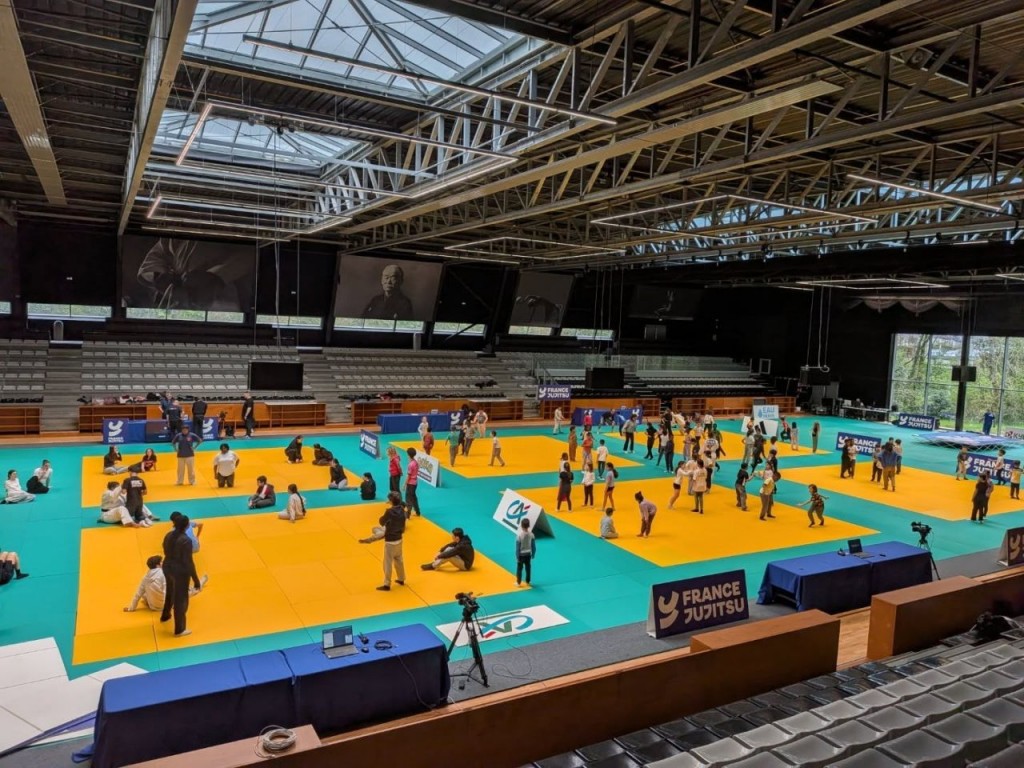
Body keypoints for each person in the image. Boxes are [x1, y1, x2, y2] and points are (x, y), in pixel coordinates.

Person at [160, 515, 202, 637]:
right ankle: (180, 629)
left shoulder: (168, 535)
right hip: (180, 571)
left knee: (170, 591)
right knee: (181, 599)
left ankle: (165, 615)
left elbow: (165, 549)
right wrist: (196, 580)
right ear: (187, 525)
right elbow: (189, 562)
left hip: (167, 566)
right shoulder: (186, 540)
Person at [125, 555, 207, 612]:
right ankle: (198, 587)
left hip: (153, 606)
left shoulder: (145, 577)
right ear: (158, 565)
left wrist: (130, 608)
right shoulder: (164, 574)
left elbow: (137, 594)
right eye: (161, 562)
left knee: (144, 591)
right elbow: (167, 591)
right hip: (164, 605)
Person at [361, 492, 407, 591]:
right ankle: (401, 578)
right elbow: (403, 525)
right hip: (399, 538)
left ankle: (387, 584)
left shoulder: (389, 512)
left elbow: (381, 521)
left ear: (390, 501)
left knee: (387, 563)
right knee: (399, 560)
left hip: (390, 541)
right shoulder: (402, 510)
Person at [515, 518, 536, 588]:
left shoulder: (519, 535)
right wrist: (533, 554)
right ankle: (528, 581)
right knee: (528, 568)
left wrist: (517, 556)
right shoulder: (532, 535)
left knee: (519, 569)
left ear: (521, 526)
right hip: (528, 554)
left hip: (521, 555)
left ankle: (518, 582)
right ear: (529, 525)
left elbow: (517, 547)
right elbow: (533, 546)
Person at [404, 447, 421, 517]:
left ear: (408, 454)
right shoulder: (415, 462)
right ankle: (417, 512)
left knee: (408, 499)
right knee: (413, 497)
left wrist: (404, 484)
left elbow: (409, 476)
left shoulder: (410, 465)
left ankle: (408, 514)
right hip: (415, 483)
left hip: (411, 483)